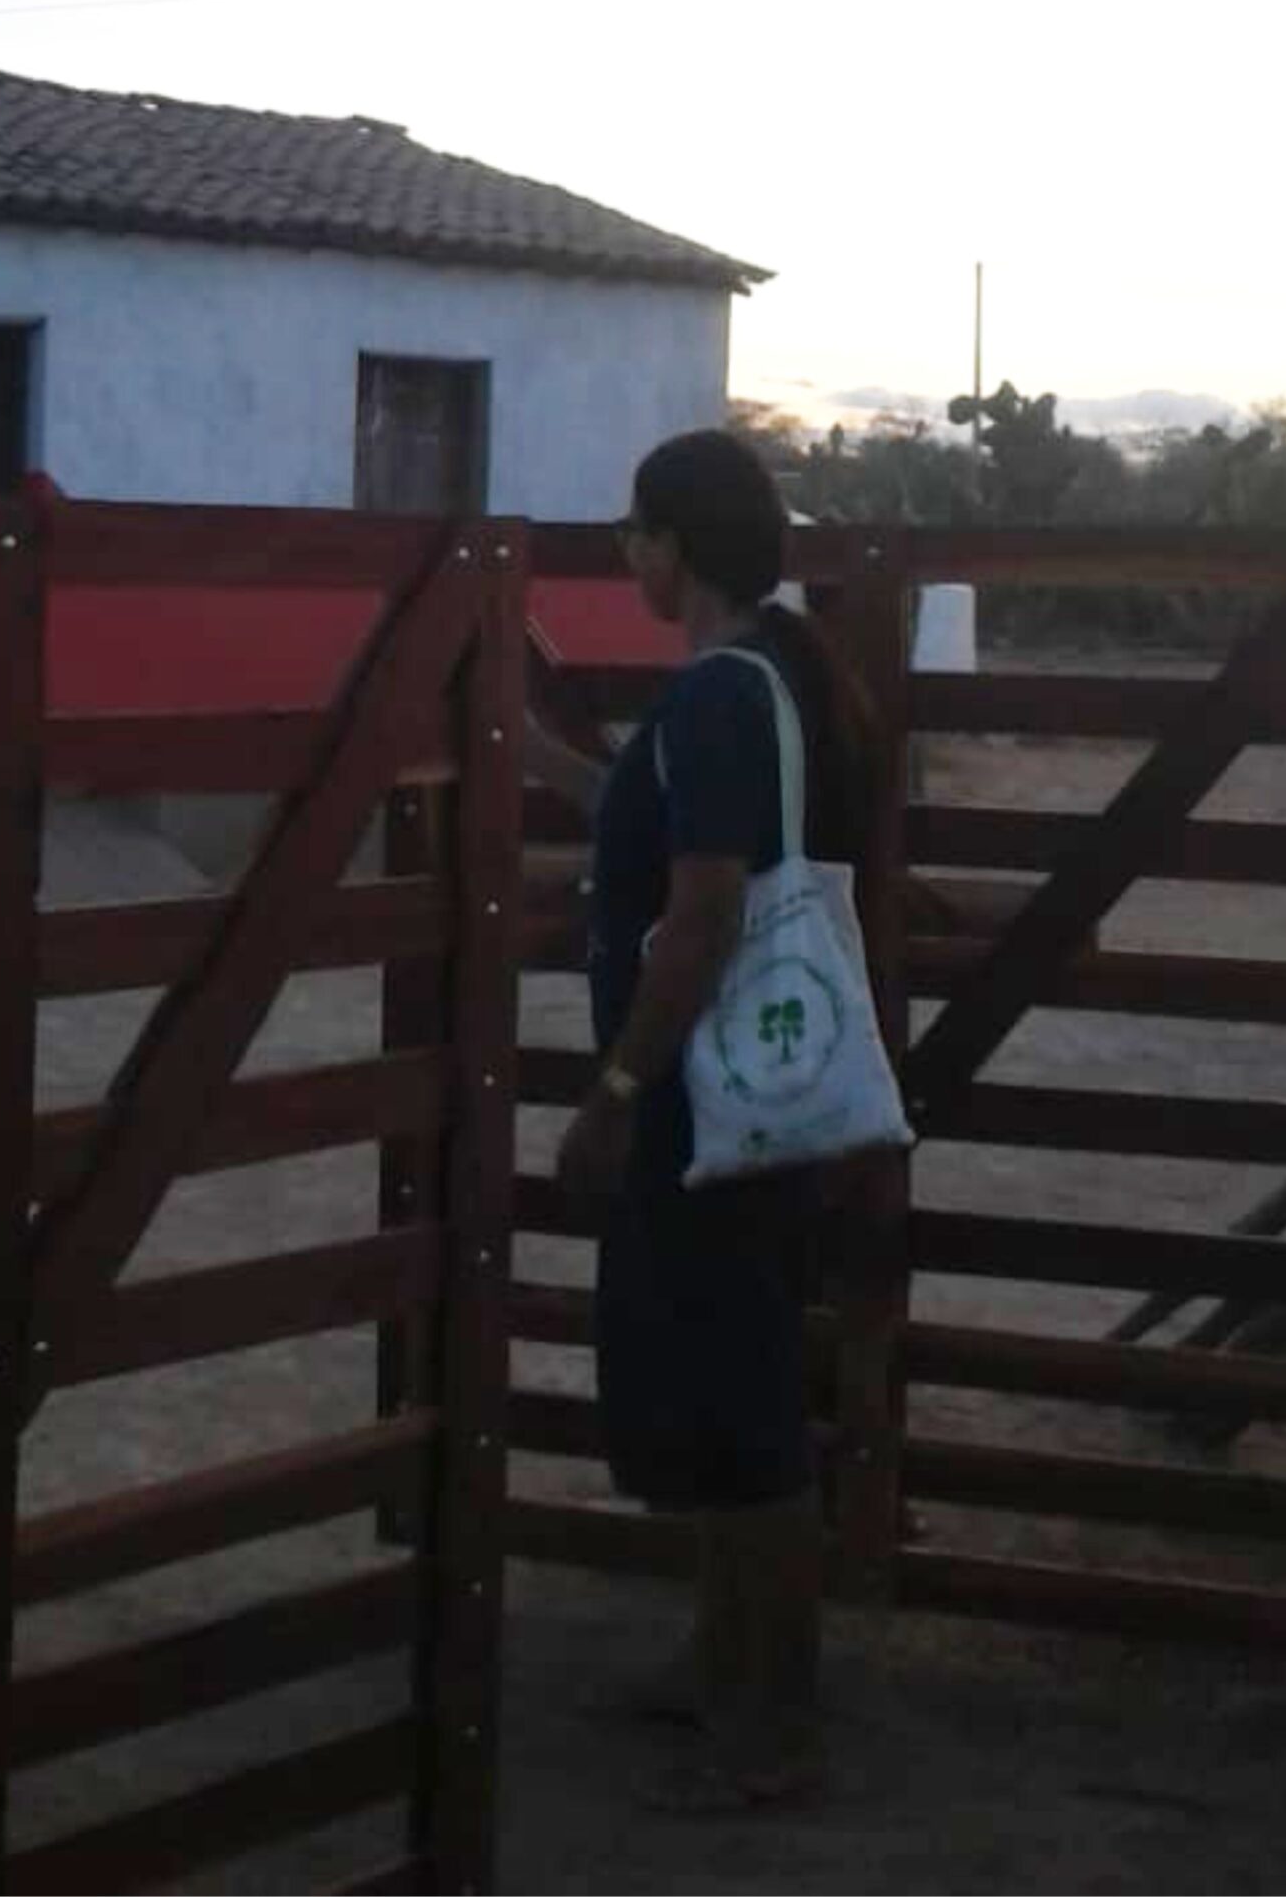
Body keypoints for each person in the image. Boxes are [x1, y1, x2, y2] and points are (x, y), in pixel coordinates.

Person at [530, 426, 880, 1814]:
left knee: (741, 1406)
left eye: (636, 530)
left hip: (703, 1103)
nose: (625, 552)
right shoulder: (754, 683)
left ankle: (776, 1720)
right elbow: (649, 816)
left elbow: (706, 904)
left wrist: (617, 1089)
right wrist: (529, 749)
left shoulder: (723, 699)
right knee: (722, 1383)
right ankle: (716, 1661)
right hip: (739, 1094)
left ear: (681, 545)